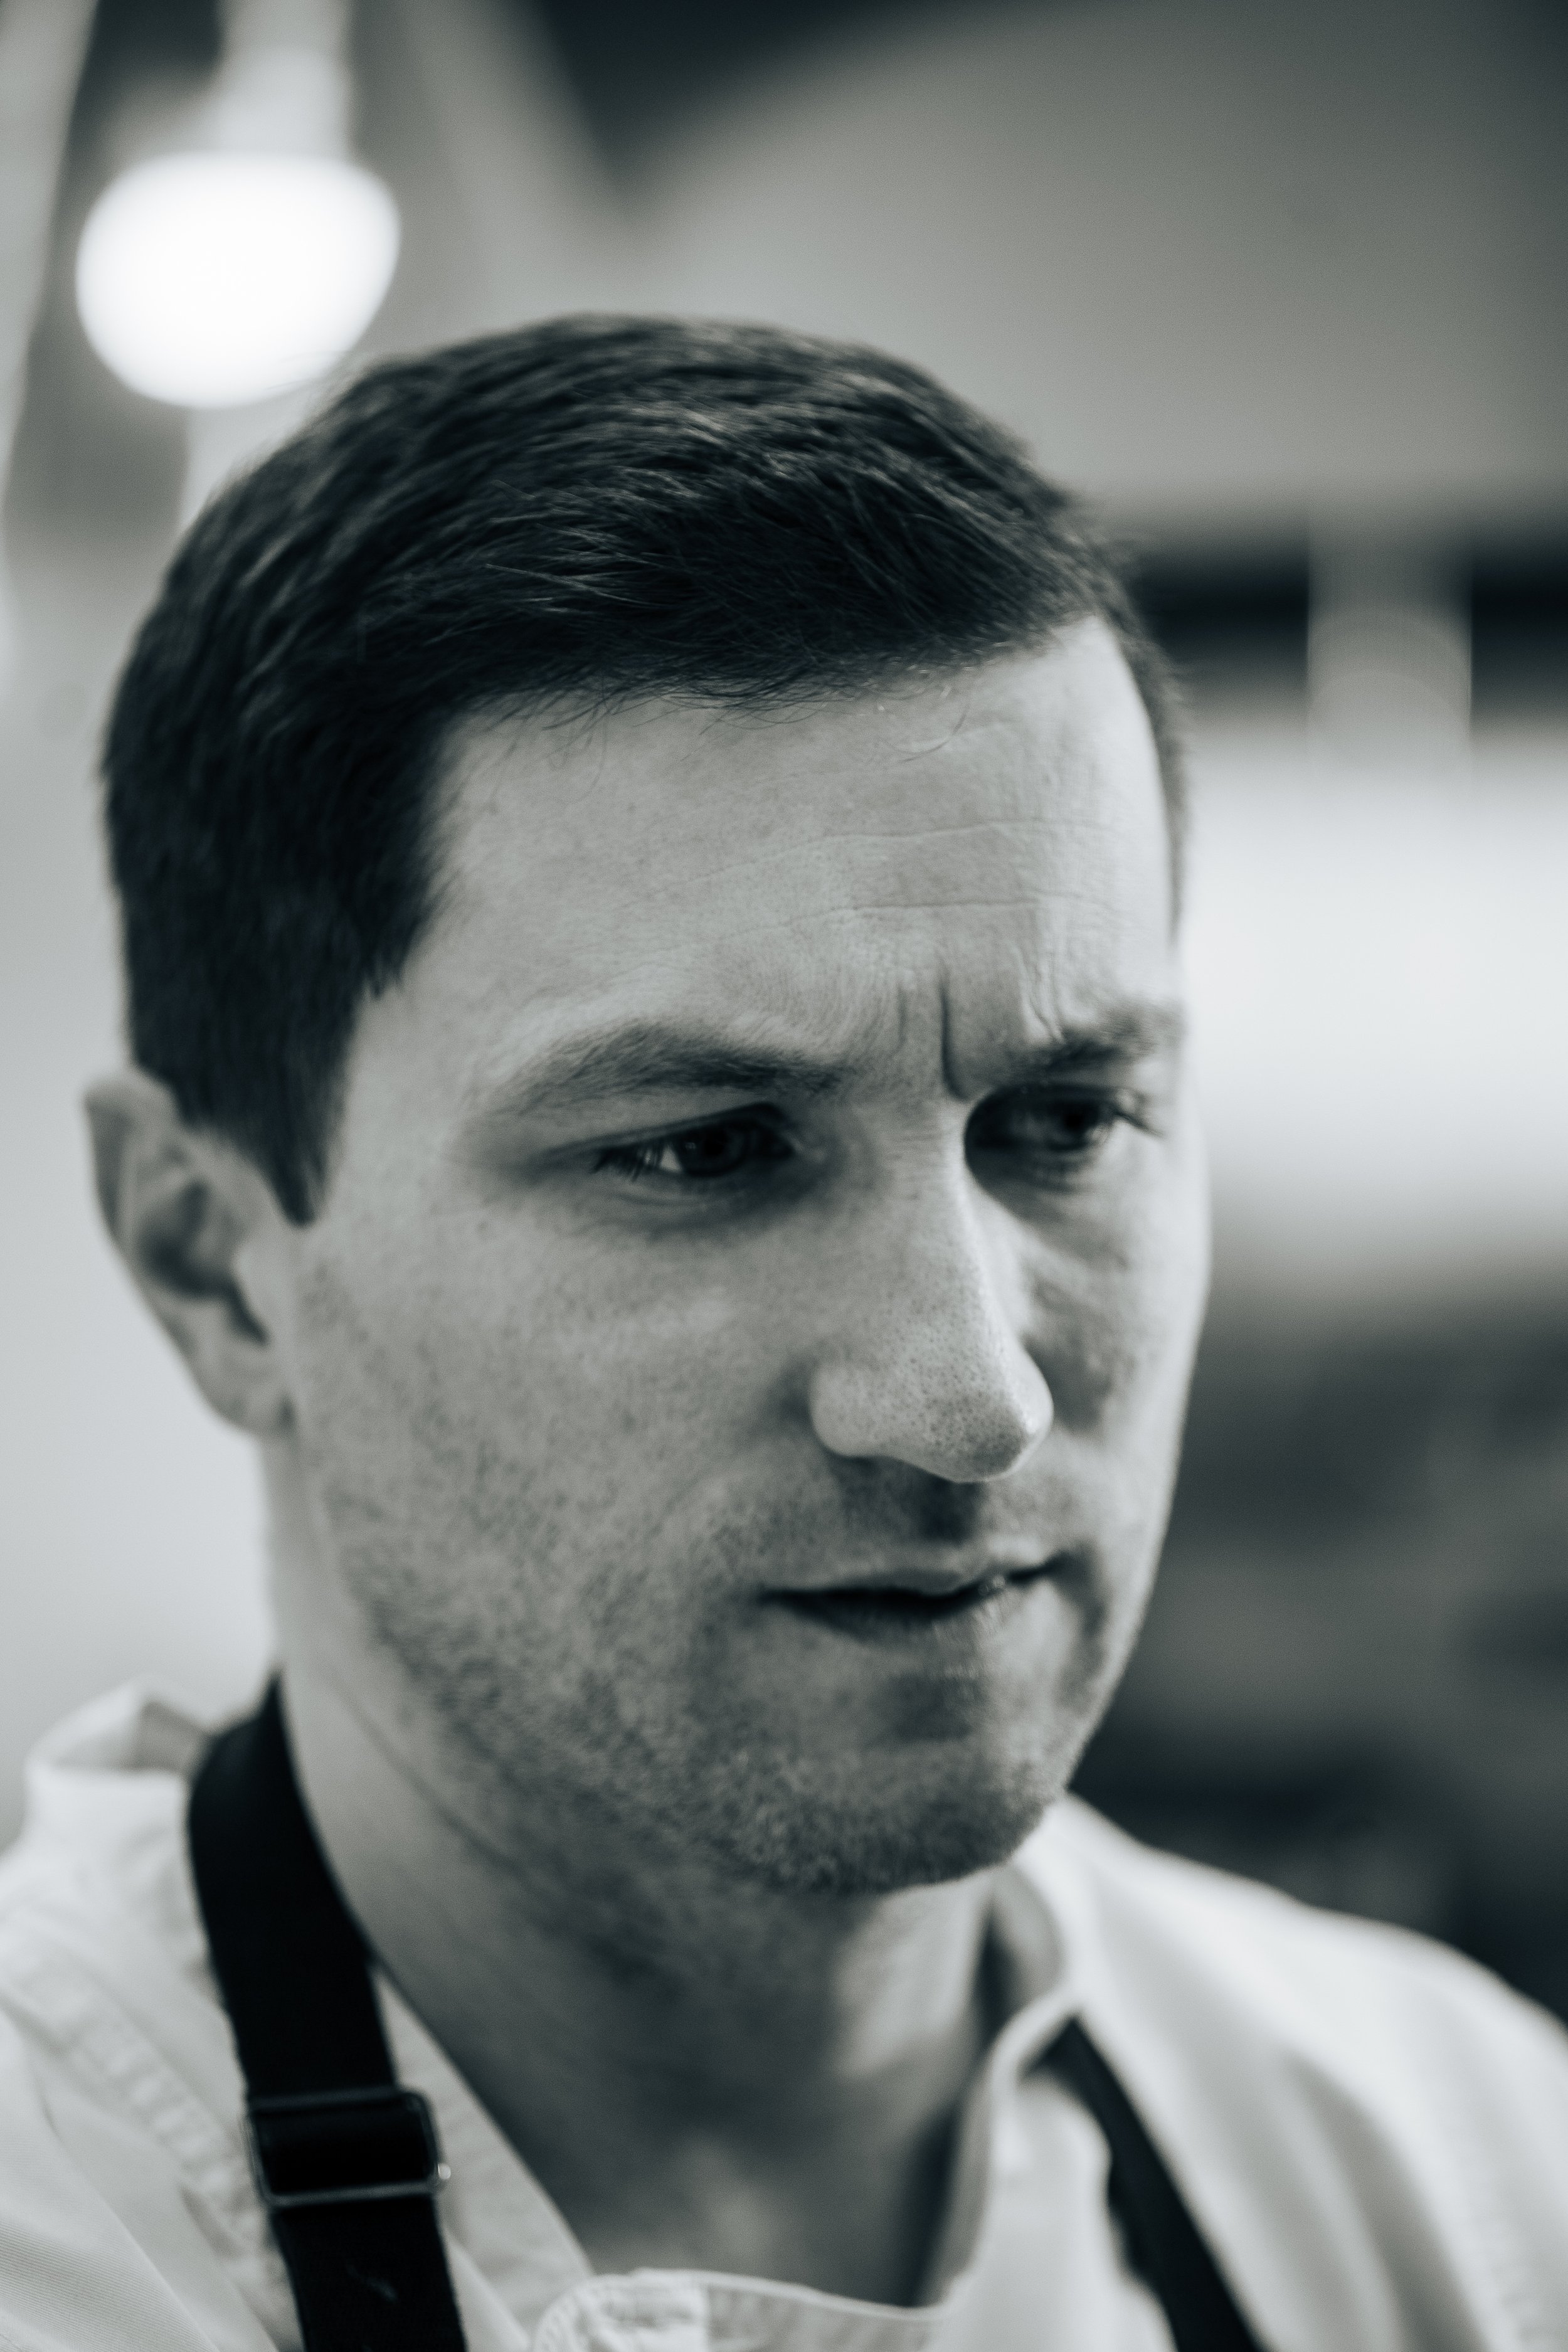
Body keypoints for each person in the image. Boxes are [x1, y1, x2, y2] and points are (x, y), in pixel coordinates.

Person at [0, 317, 1562, 2352]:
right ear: (215, 1267)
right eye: (702, 1152)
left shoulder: (1467, 2180)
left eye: (1062, 1123)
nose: (970, 1395)